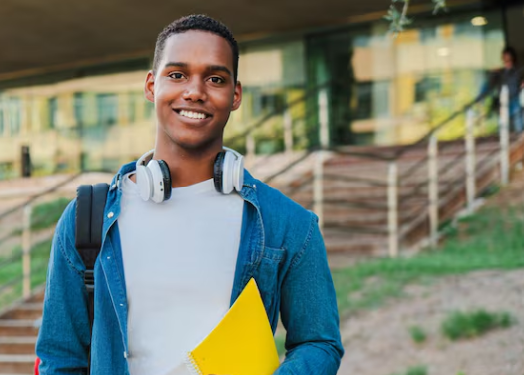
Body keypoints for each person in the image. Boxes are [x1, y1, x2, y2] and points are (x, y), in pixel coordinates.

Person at [35, 14, 344, 375]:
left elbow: (320, 343)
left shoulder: (289, 225)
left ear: (235, 95)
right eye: (177, 74)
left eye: (215, 79)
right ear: (152, 86)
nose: (195, 91)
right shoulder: (85, 220)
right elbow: (60, 358)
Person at [478, 46, 524, 133]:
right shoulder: (499, 73)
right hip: (503, 104)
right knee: (503, 130)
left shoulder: (518, 72)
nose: (506, 61)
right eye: (505, 59)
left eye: (509, 59)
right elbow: (488, 86)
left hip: (515, 103)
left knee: (518, 126)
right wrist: (481, 98)